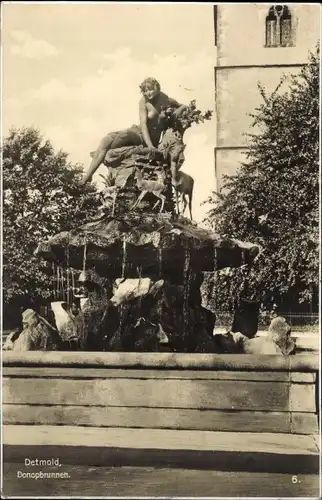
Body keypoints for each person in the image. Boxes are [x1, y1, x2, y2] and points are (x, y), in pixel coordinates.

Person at [82, 77, 186, 184]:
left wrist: (177, 112)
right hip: (139, 132)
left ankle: (106, 151)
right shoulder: (143, 102)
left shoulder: (165, 99)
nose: (147, 93)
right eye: (144, 91)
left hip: (143, 138)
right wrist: (150, 145)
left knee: (123, 135)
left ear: (157, 88)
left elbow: (183, 106)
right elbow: (143, 125)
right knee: (105, 140)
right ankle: (88, 176)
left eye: (150, 89)